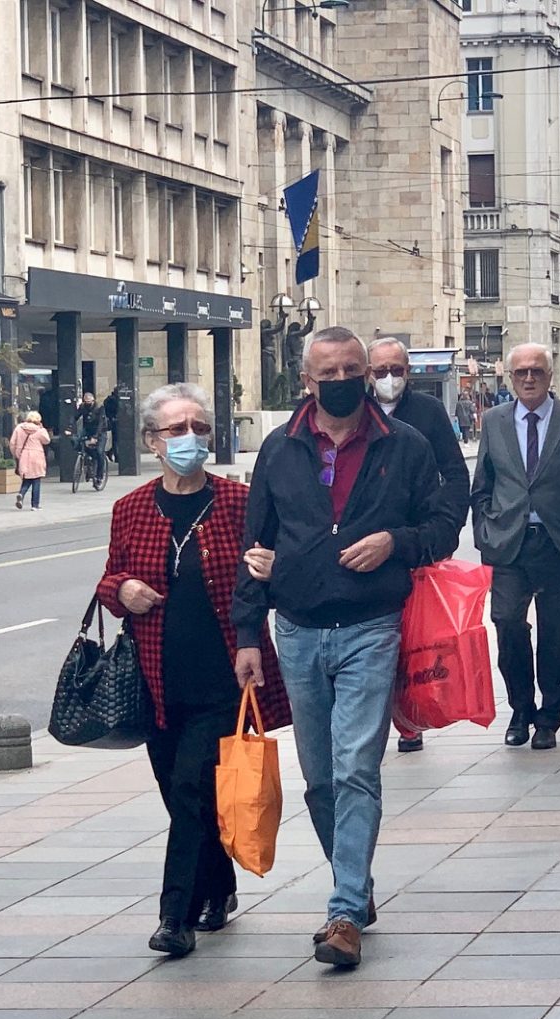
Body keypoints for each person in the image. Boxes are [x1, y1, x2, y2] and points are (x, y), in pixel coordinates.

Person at [232, 327, 457, 969]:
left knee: (357, 766)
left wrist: (396, 542)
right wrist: (248, 633)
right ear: (308, 380)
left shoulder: (403, 446)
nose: (342, 380)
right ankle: (355, 883)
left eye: (352, 368)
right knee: (320, 777)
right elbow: (255, 548)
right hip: (297, 631)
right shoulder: (279, 449)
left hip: (370, 626)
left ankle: (343, 911)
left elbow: (441, 524)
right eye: (327, 371)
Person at [98, 384, 291, 959]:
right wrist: (122, 589)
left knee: (189, 788)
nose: (190, 439)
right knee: (183, 793)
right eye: (177, 430)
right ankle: (218, 887)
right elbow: (111, 579)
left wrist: (272, 571)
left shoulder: (238, 500)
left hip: (226, 676)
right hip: (156, 679)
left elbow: (272, 580)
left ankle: (173, 917)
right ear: (152, 442)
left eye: (199, 428)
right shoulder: (130, 508)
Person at [472, 343, 560, 749]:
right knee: (507, 622)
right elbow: (483, 484)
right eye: (521, 373)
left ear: (550, 376)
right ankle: (520, 707)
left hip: (558, 541)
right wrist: (485, 532)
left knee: (556, 632)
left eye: (537, 372)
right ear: (510, 378)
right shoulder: (494, 420)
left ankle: (549, 716)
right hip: (509, 544)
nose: (529, 379)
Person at [367, 337, 471, 755]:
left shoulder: (427, 413)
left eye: (397, 369)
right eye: (380, 371)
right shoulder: (357, 412)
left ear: (408, 372)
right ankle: (376, 718)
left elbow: (455, 474)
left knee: (412, 637)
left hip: (414, 544)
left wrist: (445, 530)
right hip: (369, 542)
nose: (389, 378)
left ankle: (409, 719)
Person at [9, 411, 51, 510]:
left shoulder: (19, 428)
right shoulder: (40, 430)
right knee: (36, 479)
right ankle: (35, 505)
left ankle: (21, 494)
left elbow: (12, 443)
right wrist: (42, 428)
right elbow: (47, 440)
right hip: (36, 456)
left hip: (24, 456)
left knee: (27, 478)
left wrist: (16, 454)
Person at [73, 391, 109, 488]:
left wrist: (95, 437)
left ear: (93, 400)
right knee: (78, 442)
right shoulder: (82, 407)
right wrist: (69, 428)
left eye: (89, 402)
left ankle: (99, 476)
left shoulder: (99, 408)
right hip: (88, 430)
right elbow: (75, 417)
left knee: (99, 451)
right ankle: (88, 464)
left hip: (100, 432)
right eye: (86, 402)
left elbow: (101, 423)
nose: (88, 404)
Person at [103, 385, 121, 462]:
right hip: (115, 421)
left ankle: (111, 452)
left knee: (116, 439)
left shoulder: (109, 399)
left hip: (114, 420)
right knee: (117, 439)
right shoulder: (113, 399)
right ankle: (116, 456)